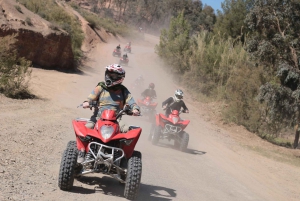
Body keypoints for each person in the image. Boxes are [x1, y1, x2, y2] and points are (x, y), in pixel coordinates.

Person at [78, 64, 140, 163]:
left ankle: (124, 158)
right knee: (85, 129)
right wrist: (87, 102)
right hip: (98, 118)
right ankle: (81, 152)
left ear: (120, 78)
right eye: (108, 74)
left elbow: (131, 101)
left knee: (128, 132)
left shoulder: (123, 91)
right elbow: (91, 97)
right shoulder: (101, 87)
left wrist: (135, 109)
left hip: (117, 119)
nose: (109, 77)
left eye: (113, 75)